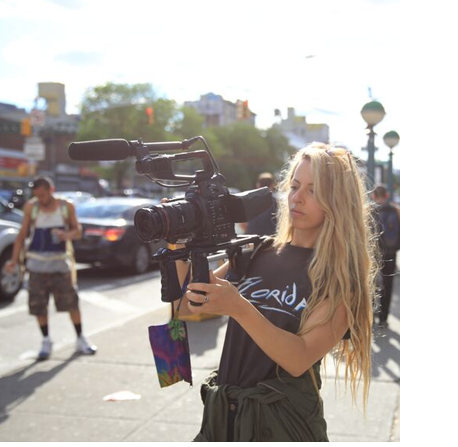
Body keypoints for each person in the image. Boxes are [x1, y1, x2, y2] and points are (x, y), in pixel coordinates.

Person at [174, 143, 378, 442]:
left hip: (282, 423)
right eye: (295, 186)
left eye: (313, 190)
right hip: (224, 417)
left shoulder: (340, 277)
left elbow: (298, 359)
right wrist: (179, 245)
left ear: (337, 200)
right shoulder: (258, 250)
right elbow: (188, 306)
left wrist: (240, 307)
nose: (297, 197)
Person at [5, 177, 97, 360]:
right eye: (37, 196)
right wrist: (14, 261)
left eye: (43, 194)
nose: (40, 199)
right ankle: (46, 340)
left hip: (60, 264)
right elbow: (22, 235)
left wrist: (66, 234)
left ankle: (80, 338)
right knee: (39, 307)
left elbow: (77, 231)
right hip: (36, 265)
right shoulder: (33, 207)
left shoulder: (65, 206)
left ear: (51, 190)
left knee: (71, 303)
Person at [372, 185, 400, 328]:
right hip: (391, 253)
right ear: (387, 196)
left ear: (374, 196)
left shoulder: (371, 212)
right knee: (388, 285)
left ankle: (371, 316)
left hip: (374, 255)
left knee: (372, 284)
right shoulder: (396, 211)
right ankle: (384, 318)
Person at [244, 172, 278, 236]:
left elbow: (243, 223)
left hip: (251, 239)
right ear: (272, 185)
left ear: (258, 185)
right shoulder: (276, 203)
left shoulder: (249, 201)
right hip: (268, 241)